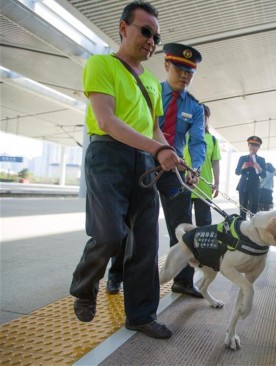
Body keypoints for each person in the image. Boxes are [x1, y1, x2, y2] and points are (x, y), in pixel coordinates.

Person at [70, 1, 186, 339]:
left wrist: (170, 155)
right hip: (108, 156)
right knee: (109, 234)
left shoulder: (152, 83)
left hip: (144, 163)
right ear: (123, 28)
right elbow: (106, 120)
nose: (151, 40)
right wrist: (156, 147)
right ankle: (85, 285)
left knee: (146, 244)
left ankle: (140, 315)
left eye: (156, 36)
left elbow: (153, 130)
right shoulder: (101, 64)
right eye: (145, 31)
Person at [105, 42, 207, 299]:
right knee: (129, 223)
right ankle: (116, 274)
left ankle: (183, 281)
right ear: (166, 66)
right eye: (180, 69)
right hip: (144, 164)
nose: (185, 75)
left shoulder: (194, 107)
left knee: (183, 227)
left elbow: (197, 141)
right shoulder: (150, 91)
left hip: (174, 171)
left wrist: (194, 168)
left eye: (190, 72)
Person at [184, 104, 221, 226]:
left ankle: (203, 246)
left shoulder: (212, 140)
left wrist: (217, 183)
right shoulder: (184, 136)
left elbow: (215, 163)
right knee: (183, 221)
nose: (203, 119)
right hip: (184, 185)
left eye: (205, 117)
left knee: (204, 223)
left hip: (204, 186)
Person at [235, 136, 266, 218]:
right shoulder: (243, 158)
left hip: (254, 188)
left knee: (253, 212)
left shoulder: (261, 160)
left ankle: (252, 229)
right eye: (251, 145)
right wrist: (242, 167)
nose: (253, 147)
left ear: (258, 147)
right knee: (242, 211)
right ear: (248, 146)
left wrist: (259, 168)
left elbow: (264, 175)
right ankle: (242, 228)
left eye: (255, 146)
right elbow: (237, 172)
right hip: (243, 187)